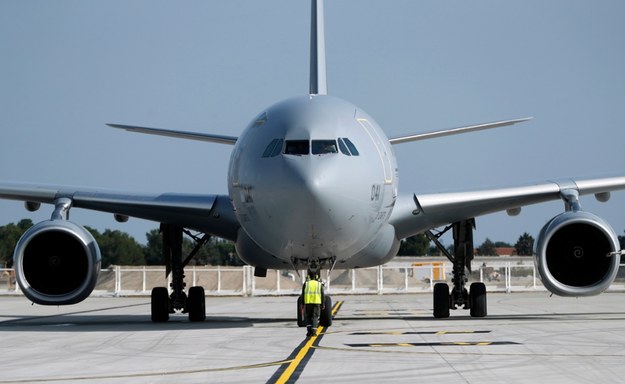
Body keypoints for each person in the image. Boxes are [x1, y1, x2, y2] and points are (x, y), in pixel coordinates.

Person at [302, 271, 324, 337]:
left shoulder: (306, 284)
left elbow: (303, 294)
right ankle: (314, 331)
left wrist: (303, 303)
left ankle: (309, 331)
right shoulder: (319, 284)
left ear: (309, 277)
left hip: (308, 302)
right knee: (315, 317)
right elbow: (322, 295)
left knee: (307, 316)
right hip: (316, 303)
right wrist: (323, 304)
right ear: (316, 277)